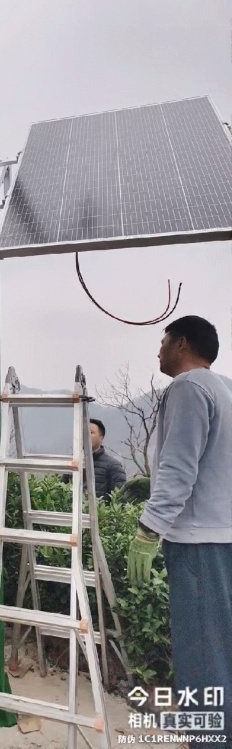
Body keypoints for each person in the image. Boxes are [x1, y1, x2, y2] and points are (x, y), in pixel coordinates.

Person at [127, 316, 232, 745]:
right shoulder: (224, 387)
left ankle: (208, 739)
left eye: (163, 341)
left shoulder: (189, 388)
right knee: (220, 642)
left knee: (201, 646)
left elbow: (177, 467)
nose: (159, 350)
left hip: (197, 540)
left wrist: (149, 529)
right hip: (222, 533)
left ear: (182, 343)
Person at [62, 418, 126, 501]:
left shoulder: (113, 466)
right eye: (83, 432)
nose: (86, 435)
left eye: (91, 432)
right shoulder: (73, 462)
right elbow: (62, 490)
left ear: (101, 438)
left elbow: (120, 498)